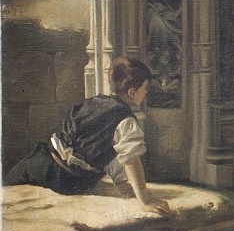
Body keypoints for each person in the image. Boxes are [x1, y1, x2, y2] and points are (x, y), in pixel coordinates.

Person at [6, 56, 170, 214]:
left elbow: (105, 150)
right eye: (145, 89)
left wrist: (121, 182)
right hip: (68, 179)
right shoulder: (126, 120)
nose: (146, 93)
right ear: (132, 92)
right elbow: (131, 160)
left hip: (43, 161)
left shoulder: (94, 102)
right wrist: (145, 200)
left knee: (10, 182)